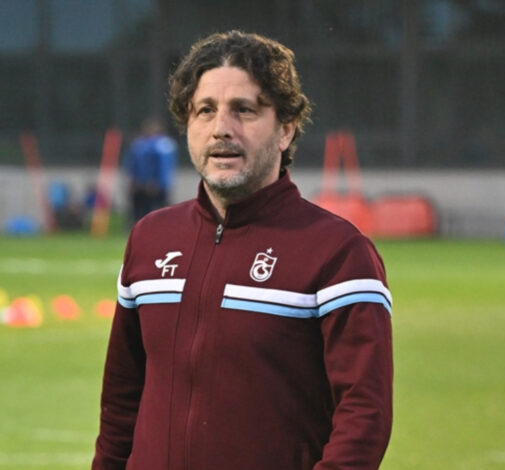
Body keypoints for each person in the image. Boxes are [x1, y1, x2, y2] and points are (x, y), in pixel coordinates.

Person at [93, 31, 393, 469]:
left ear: (285, 129)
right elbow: (121, 404)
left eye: (244, 110)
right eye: (205, 110)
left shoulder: (338, 253)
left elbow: (364, 416)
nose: (222, 129)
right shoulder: (150, 239)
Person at [123, 117, 178, 224]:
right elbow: (133, 164)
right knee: (141, 209)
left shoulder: (163, 144)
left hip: (156, 184)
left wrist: (158, 182)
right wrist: (134, 180)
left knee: (157, 209)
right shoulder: (140, 144)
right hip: (143, 184)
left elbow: (163, 165)